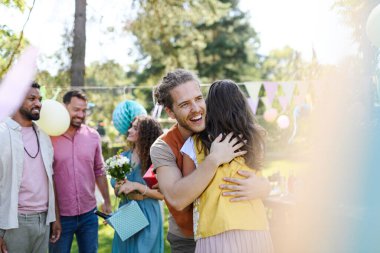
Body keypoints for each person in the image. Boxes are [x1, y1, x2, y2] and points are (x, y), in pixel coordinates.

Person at [150, 69, 271, 253]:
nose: (196, 109)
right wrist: (214, 159)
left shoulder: (226, 132)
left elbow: (251, 169)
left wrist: (264, 187)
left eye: (199, 99)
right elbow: (177, 198)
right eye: (184, 104)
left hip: (237, 228)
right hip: (188, 238)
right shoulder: (162, 147)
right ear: (170, 112)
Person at [181, 80, 273, 253]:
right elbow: (260, 179)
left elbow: (187, 192)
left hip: (214, 230)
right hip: (256, 227)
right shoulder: (255, 139)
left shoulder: (194, 145)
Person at [0, 82, 61, 253]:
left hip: (44, 221)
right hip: (13, 224)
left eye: (40, 99)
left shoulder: (43, 135)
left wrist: (54, 217)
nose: (39, 103)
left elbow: (50, 179)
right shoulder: (2, 133)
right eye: (31, 98)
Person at [49, 90, 111, 253]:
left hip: (89, 215)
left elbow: (99, 170)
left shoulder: (93, 136)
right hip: (59, 217)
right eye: (76, 109)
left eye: (84, 110)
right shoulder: (49, 136)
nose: (81, 114)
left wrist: (107, 201)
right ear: (64, 107)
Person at [111, 115, 164, 253]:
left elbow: (162, 194)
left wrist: (137, 186)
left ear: (146, 133)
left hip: (148, 212)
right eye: (131, 127)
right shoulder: (122, 158)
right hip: (127, 211)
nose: (129, 130)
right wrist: (119, 188)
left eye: (135, 128)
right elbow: (117, 191)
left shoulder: (154, 160)